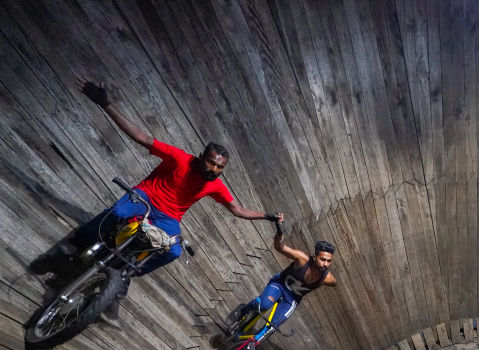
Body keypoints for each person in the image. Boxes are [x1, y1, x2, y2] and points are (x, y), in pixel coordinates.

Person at [30, 76, 283, 282]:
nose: (215, 170)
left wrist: (266, 216)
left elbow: (237, 209)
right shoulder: (179, 158)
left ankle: (123, 275)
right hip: (145, 197)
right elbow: (141, 137)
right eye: (211, 163)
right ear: (201, 157)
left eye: (219, 168)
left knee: (172, 252)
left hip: (169, 218)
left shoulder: (214, 185)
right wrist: (104, 104)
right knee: (118, 213)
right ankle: (76, 243)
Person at [223, 225, 337, 335]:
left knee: (273, 327)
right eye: (323, 259)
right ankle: (242, 311)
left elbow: (334, 283)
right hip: (280, 285)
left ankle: (248, 345)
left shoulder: (328, 279)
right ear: (314, 257)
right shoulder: (302, 259)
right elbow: (280, 247)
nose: (325, 264)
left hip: (292, 298)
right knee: (264, 305)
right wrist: (279, 233)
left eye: (329, 261)